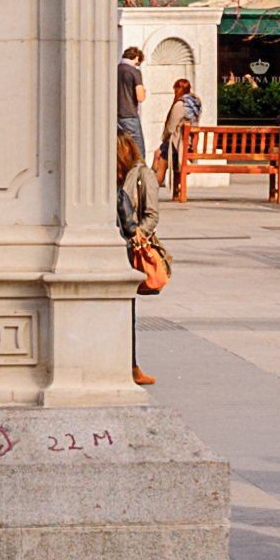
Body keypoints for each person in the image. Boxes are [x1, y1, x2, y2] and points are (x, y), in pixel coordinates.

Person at [116, 130, 163, 388]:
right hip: (120, 245)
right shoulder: (113, 179)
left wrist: (138, 236)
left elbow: (151, 215)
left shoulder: (143, 174)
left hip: (131, 247)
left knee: (129, 308)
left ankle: (132, 365)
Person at [116, 44, 146, 158]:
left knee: (121, 148)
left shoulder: (115, 69)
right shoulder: (134, 72)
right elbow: (140, 97)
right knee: (138, 150)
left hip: (116, 116)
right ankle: (139, 174)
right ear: (137, 58)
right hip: (129, 115)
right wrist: (144, 90)